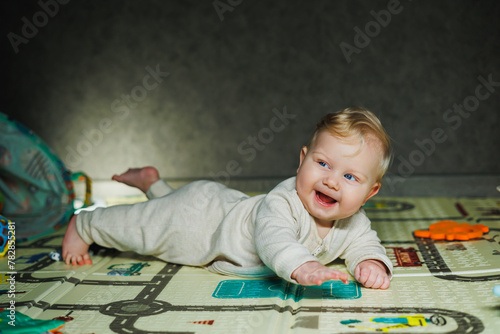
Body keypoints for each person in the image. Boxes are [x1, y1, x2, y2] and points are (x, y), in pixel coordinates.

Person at [62, 106, 393, 289]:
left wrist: (371, 262)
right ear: (302, 159)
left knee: (161, 207)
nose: (331, 181)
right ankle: (86, 223)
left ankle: (153, 185)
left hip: (225, 205)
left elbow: (365, 244)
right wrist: (302, 265)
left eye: (350, 177)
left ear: (369, 193)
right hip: (199, 223)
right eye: (322, 163)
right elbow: (274, 238)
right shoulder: (283, 201)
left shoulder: (354, 222)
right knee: (144, 227)